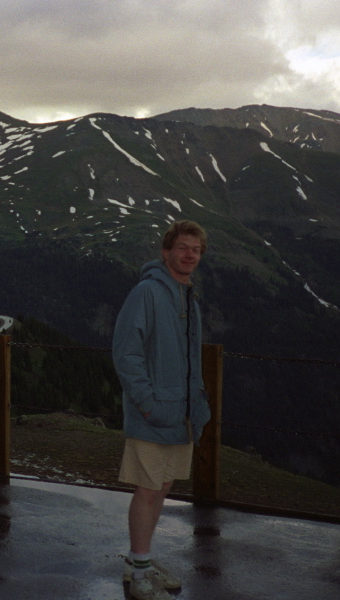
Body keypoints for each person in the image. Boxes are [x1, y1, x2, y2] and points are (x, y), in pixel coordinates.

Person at [111, 220, 212, 600]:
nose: (190, 255)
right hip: (154, 413)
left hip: (181, 415)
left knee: (163, 487)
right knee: (149, 490)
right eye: (183, 247)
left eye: (196, 250)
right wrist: (147, 403)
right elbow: (126, 353)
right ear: (166, 251)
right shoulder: (148, 293)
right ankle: (139, 576)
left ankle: (141, 561)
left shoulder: (186, 295)